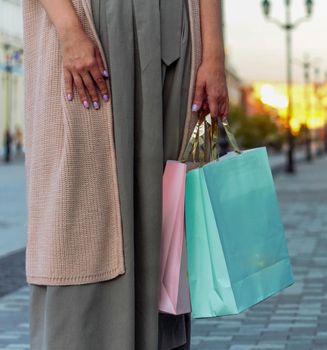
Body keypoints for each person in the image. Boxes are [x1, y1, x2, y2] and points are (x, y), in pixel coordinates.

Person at [22, 0, 228, 349]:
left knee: (165, 218)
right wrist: (69, 29)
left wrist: (215, 55)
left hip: (174, 36)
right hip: (87, 25)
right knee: (80, 215)